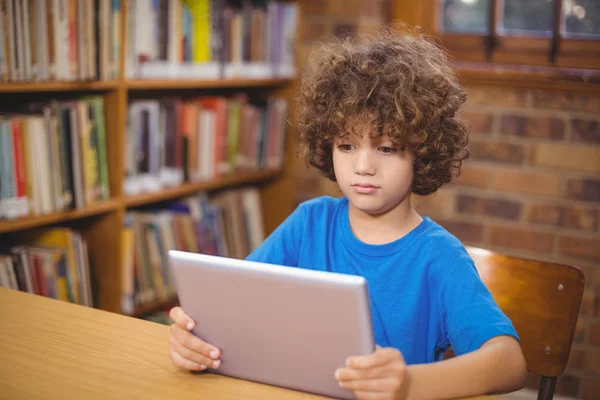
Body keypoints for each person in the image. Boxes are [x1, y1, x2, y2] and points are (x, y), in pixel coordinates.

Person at [168, 26, 528, 400]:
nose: (363, 166)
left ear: (423, 151)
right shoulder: (309, 223)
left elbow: (509, 362)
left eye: (386, 148)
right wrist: (195, 338)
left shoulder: (438, 257)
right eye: (347, 145)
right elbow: (236, 306)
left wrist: (409, 384)